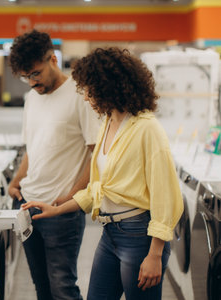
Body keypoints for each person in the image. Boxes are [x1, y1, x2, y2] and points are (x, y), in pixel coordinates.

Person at [22, 47, 184, 300]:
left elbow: (167, 196)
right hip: (110, 234)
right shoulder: (108, 123)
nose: (85, 98)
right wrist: (57, 208)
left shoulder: (147, 129)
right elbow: (98, 190)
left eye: (88, 89)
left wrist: (154, 254)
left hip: (139, 236)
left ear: (107, 87)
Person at [8, 29, 100, 300]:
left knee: (63, 289)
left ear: (53, 60)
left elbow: (96, 154)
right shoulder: (31, 98)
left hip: (60, 211)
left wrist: (71, 198)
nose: (32, 82)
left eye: (36, 73)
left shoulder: (80, 95)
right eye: (25, 77)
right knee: (42, 288)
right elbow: (32, 148)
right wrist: (16, 180)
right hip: (27, 206)